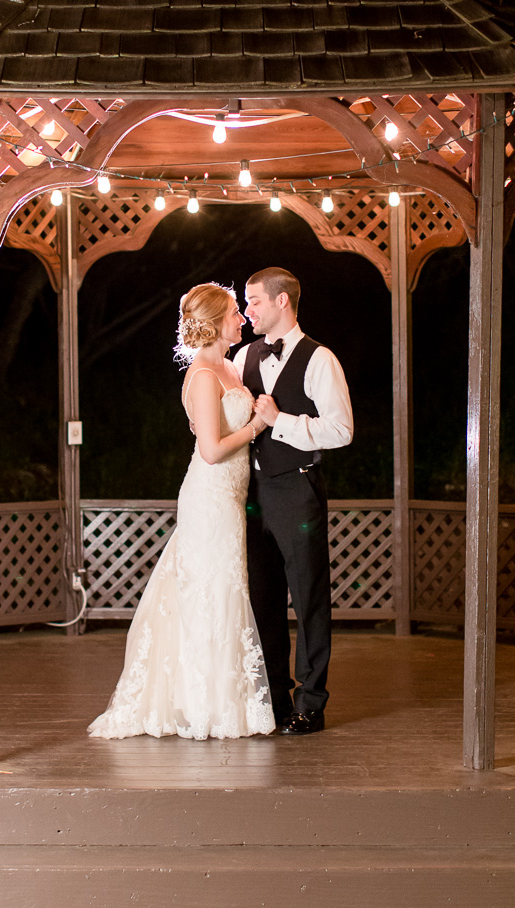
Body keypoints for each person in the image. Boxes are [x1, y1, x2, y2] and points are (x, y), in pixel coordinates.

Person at [88, 283, 275, 740]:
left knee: (224, 590)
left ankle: (220, 698)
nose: (242, 319)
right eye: (235, 312)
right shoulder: (204, 376)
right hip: (210, 495)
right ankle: (201, 702)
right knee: (212, 592)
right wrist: (256, 426)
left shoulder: (229, 366)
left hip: (231, 494)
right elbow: (210, 450)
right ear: (214, 322)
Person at [233, 267, 353, 735]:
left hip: (297, 490)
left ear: (283, 301)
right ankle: (274, 699)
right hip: (249, 495)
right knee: (261, 599)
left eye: (255, 301)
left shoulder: (321, 359)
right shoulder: (242, 355)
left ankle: (311, 702)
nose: (249, 311)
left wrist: (281, 421)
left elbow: (341, 431)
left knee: (308, 600)